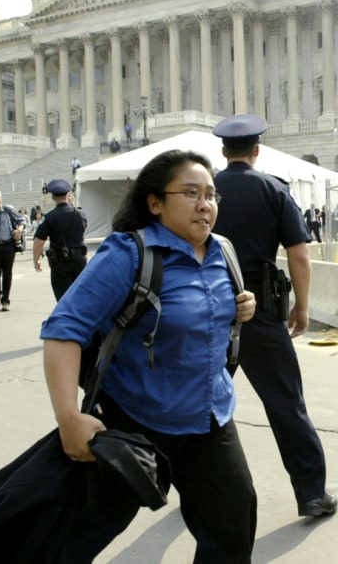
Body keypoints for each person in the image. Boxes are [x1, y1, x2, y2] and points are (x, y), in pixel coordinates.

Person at [40, 150, 257, 562]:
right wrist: (68, 417)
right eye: (191, 193)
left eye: (211, 195)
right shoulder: (128, 253)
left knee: (232, 528)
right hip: (136, 421)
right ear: (154, 202)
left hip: (210, 418)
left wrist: (241, 305)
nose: (205, 204)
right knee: (80, 533)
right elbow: (63, 329)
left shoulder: (222, 250)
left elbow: (208, 310)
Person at [212, 113, 337, 518]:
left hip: (208, 310)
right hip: (262, 312)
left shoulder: (203, 190)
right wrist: (301, 306)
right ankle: (311, 493)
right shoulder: (273, 189)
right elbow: (299, 254)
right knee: (286, 404)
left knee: (201, 399)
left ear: (223, 151)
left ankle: (199, 483)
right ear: (257, 150)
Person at [33, 179, 88, 301]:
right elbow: (84, 229)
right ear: (68, 196)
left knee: (64, 300)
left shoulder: (49, 217)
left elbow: (38, 243)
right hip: (80, 262)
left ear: (53, 198)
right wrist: (73, 207)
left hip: (60, 263)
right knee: (81, 297)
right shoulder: (80, 214)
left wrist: (36, 260)